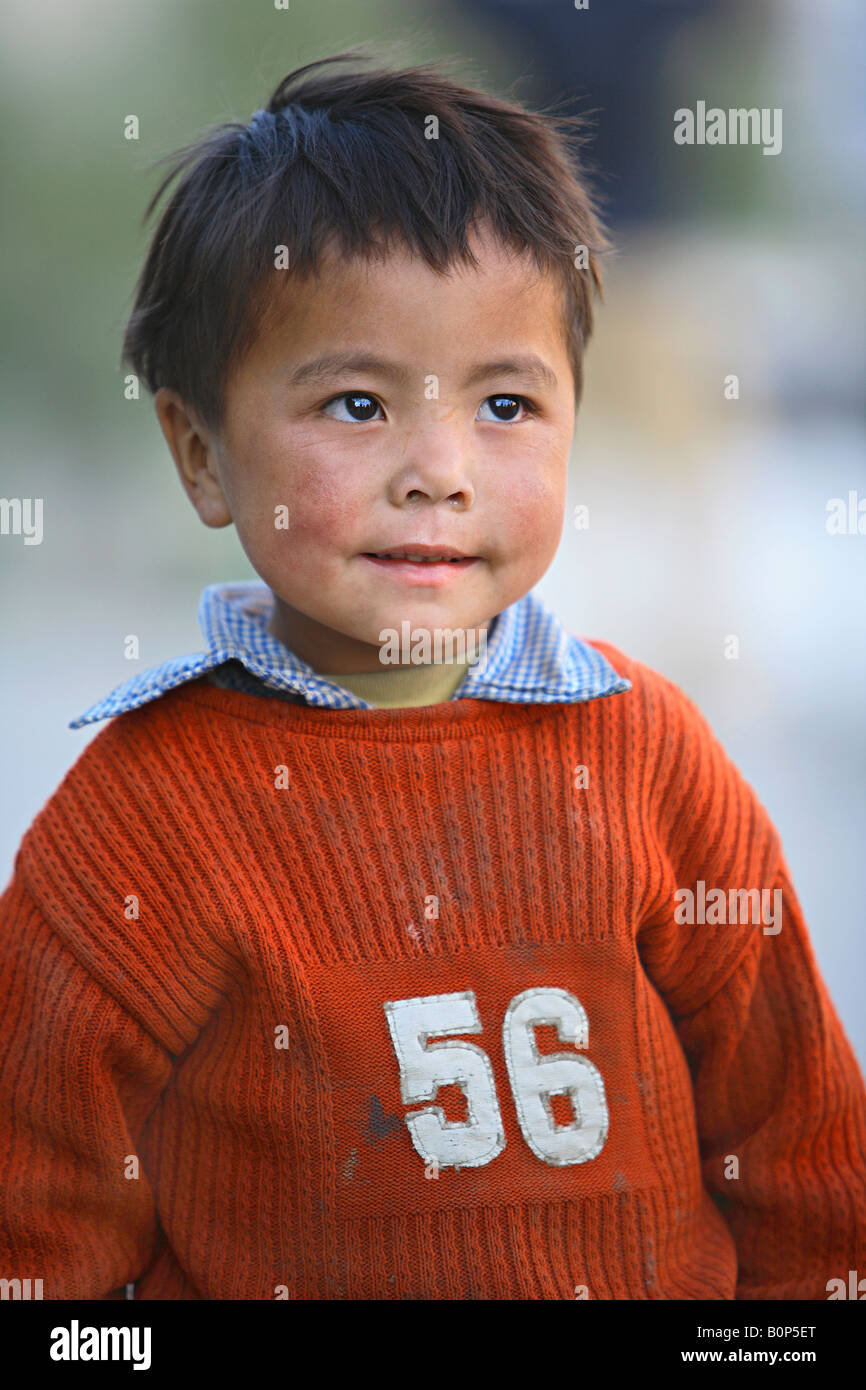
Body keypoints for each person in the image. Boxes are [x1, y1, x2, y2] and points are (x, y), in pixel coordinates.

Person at [1, 50, 863, 1301]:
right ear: (200, 452)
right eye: (355, 404)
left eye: (505, 404)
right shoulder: (133, 836)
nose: (438, 469)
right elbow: (40, 1249)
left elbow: (805, 1169)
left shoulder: (648, 756)